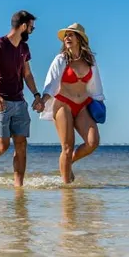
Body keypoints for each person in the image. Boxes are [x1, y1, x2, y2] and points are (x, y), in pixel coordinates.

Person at [0, 10, 44, 187]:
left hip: (19, 101)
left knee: (21, 144)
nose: (32, 30)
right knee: (3, 145)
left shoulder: (24, 48)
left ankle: (19, 187)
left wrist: (37, 95)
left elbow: (27, 74)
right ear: (23, 26)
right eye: (32, 27)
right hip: (0, 101)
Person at [37, 23, 105, 183]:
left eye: (71, 35)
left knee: (92, 142)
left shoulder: (90, 60)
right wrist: (43, 100)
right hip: (63, 104)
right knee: (67, 147)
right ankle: (67, 191)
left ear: (79, 39)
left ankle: (68, 163)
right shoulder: (61, 59)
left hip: (82, 105)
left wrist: (100, 103)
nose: (67, 38)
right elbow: (51, 83)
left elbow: (96, 84)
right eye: (66, 35)